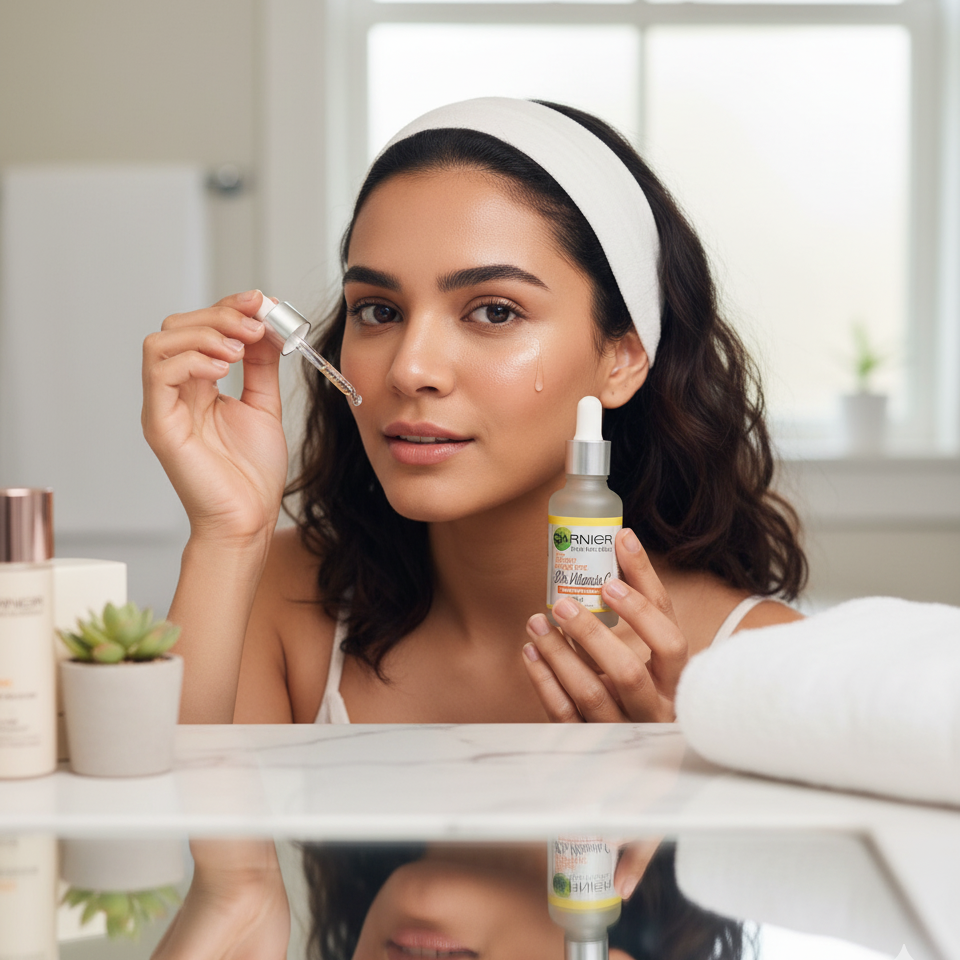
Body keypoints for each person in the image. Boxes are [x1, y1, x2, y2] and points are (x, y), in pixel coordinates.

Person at [141, 97, 806, 726]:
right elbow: (184, 838)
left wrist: (652, 782)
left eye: (495, 311)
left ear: (622, 357)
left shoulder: (762, 663)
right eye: (378, 310)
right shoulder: (288, 600)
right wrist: (226, 536)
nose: (410, 369)